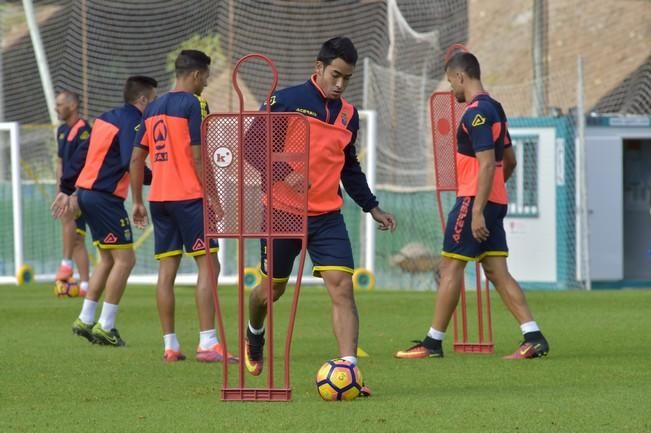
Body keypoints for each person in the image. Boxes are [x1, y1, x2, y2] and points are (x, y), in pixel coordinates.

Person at [243, 37, 397, 394]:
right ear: (319, 68)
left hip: (327, 216)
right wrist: (285, 174)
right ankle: (255, 334)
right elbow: (252, 147)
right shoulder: (288, 101)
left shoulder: (348, 115)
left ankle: (350, 372)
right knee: (270, 292)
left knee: (342, 288)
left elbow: (349, 167)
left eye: (347, 78)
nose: (340, 83)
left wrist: (371, 206)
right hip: (281, 212)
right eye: (335, 75)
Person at [394, 51, 549, 360]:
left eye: (451, 82)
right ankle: (533, 336)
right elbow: (511, 160)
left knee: (450, 266)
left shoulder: (476, 113)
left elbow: (488, 163)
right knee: (496, 270)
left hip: (472, 201)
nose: (452, 90)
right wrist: (493, 196)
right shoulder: (496, 108)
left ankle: (432, 343)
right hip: (495, 201)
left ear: (461, 76)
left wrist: (477, 209)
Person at [130, 50, 237, 363]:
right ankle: (207, 342)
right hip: (189, 197)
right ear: (197, 75)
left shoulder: (151, 109)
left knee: (167, 271)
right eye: (205, 78)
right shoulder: (195, 104)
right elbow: (198, 157)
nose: (205, 85)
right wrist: (214, 197)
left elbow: (137, 158)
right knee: (209, 265)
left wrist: (136, 201)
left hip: (159, 199)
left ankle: (171, 345)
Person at [60, 76, 157, 346]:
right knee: (126, 261)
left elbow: (81, 154)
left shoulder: (105, 118)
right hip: (104, 198)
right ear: (143, 100)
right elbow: (132, 161)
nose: (155, 104)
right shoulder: (134, 122)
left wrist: (67, 187)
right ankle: (106, 325)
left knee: (107, 259)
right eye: (154, 99)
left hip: (87, 195)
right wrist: (159, 177)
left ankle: (86, 318)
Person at [51, 91, 90, 294]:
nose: (56, 108)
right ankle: (85, 285)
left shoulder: (85, 130)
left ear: (72, 106)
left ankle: (66, 264)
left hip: (80, 190)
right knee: (77, 239)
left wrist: (74, 192)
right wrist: (59, 189)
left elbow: (85, 163)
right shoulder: (61, 131)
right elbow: (61, 162)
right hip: (66, 190)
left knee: (68, 221)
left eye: (59, 104)